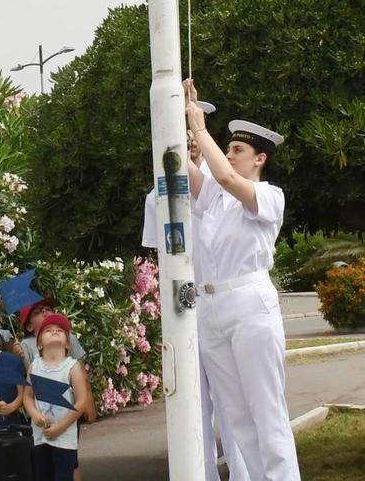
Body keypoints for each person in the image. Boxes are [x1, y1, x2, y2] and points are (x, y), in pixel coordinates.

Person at [183, 79, 300, 481]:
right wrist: (180, 119)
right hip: (212, 307)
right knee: (236, 417)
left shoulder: (269, 195)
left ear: (260, 159)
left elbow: (230, 181)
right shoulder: (216, 194)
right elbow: (195, 177)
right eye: (228, 148)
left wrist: (201, 128)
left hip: (249, 303)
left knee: (266, 414)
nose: (230, 156)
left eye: (237, 150)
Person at [141, 106, 250, 481]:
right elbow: (163, 259)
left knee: (234, 404)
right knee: (193, 405)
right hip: (185, 307)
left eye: (190, 135)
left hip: (221, 298)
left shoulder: (222, 184)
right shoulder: (157, 192)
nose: (188, 143)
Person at [24, 313, 87, 481]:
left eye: (59, 330)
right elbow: (28, 397)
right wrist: (34, 414)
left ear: (67, 343)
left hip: (64, 436)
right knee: (43, 475)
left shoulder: (72, 367)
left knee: (64, 476)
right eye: (48, 330)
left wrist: (61, 427)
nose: (54, 331)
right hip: (40, 434)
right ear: (39, 344)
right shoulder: (34, 367)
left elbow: (81, 402)